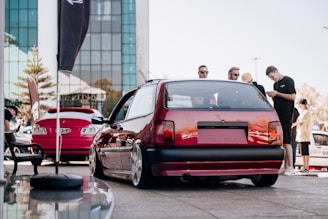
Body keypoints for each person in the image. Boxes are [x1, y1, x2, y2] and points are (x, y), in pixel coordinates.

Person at [266, 66, 296, 176]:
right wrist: (273, 96)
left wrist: (278, 94)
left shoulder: (288, 80)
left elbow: (293, 97)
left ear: (276, 71)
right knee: (281, 141)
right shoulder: (275, 85)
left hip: (287, 116)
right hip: (278, 115)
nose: (272, 79)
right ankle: (285, 166)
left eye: (272, 76)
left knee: (287, 141)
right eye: (270, 78)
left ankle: (291, 167)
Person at [294, 98, 312, 173]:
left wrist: (292, 125)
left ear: (303, 104)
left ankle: (306, 167)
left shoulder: (306, 113)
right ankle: (304, 166)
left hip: (304, 135)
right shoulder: (303, 112)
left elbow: (300, 122)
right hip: (301, 135)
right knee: (302, 152)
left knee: (305, 152)